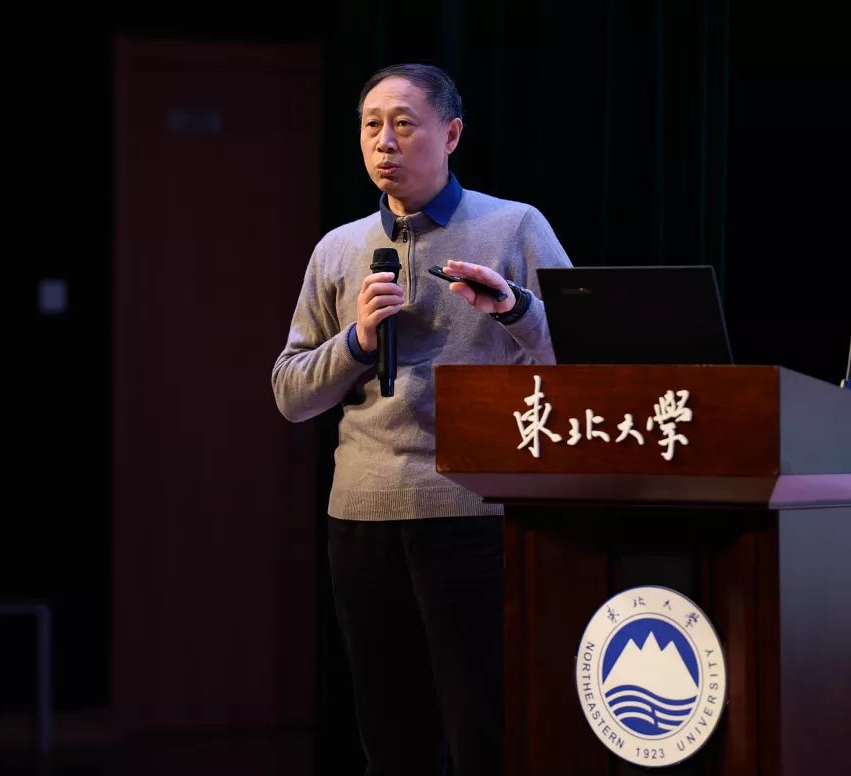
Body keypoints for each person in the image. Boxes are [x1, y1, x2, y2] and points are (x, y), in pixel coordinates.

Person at [271, 63, 572, 776]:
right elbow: (290, 393)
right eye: (371, 125)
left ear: (452, 132)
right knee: (390, 739)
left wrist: (518, 310)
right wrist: (355, 343)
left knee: (483, 733)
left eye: (404, 123)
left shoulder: (513, 227)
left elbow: (583, 360)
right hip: (361, 518)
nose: (385, 141)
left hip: (473, 513)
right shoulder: (339, 250)